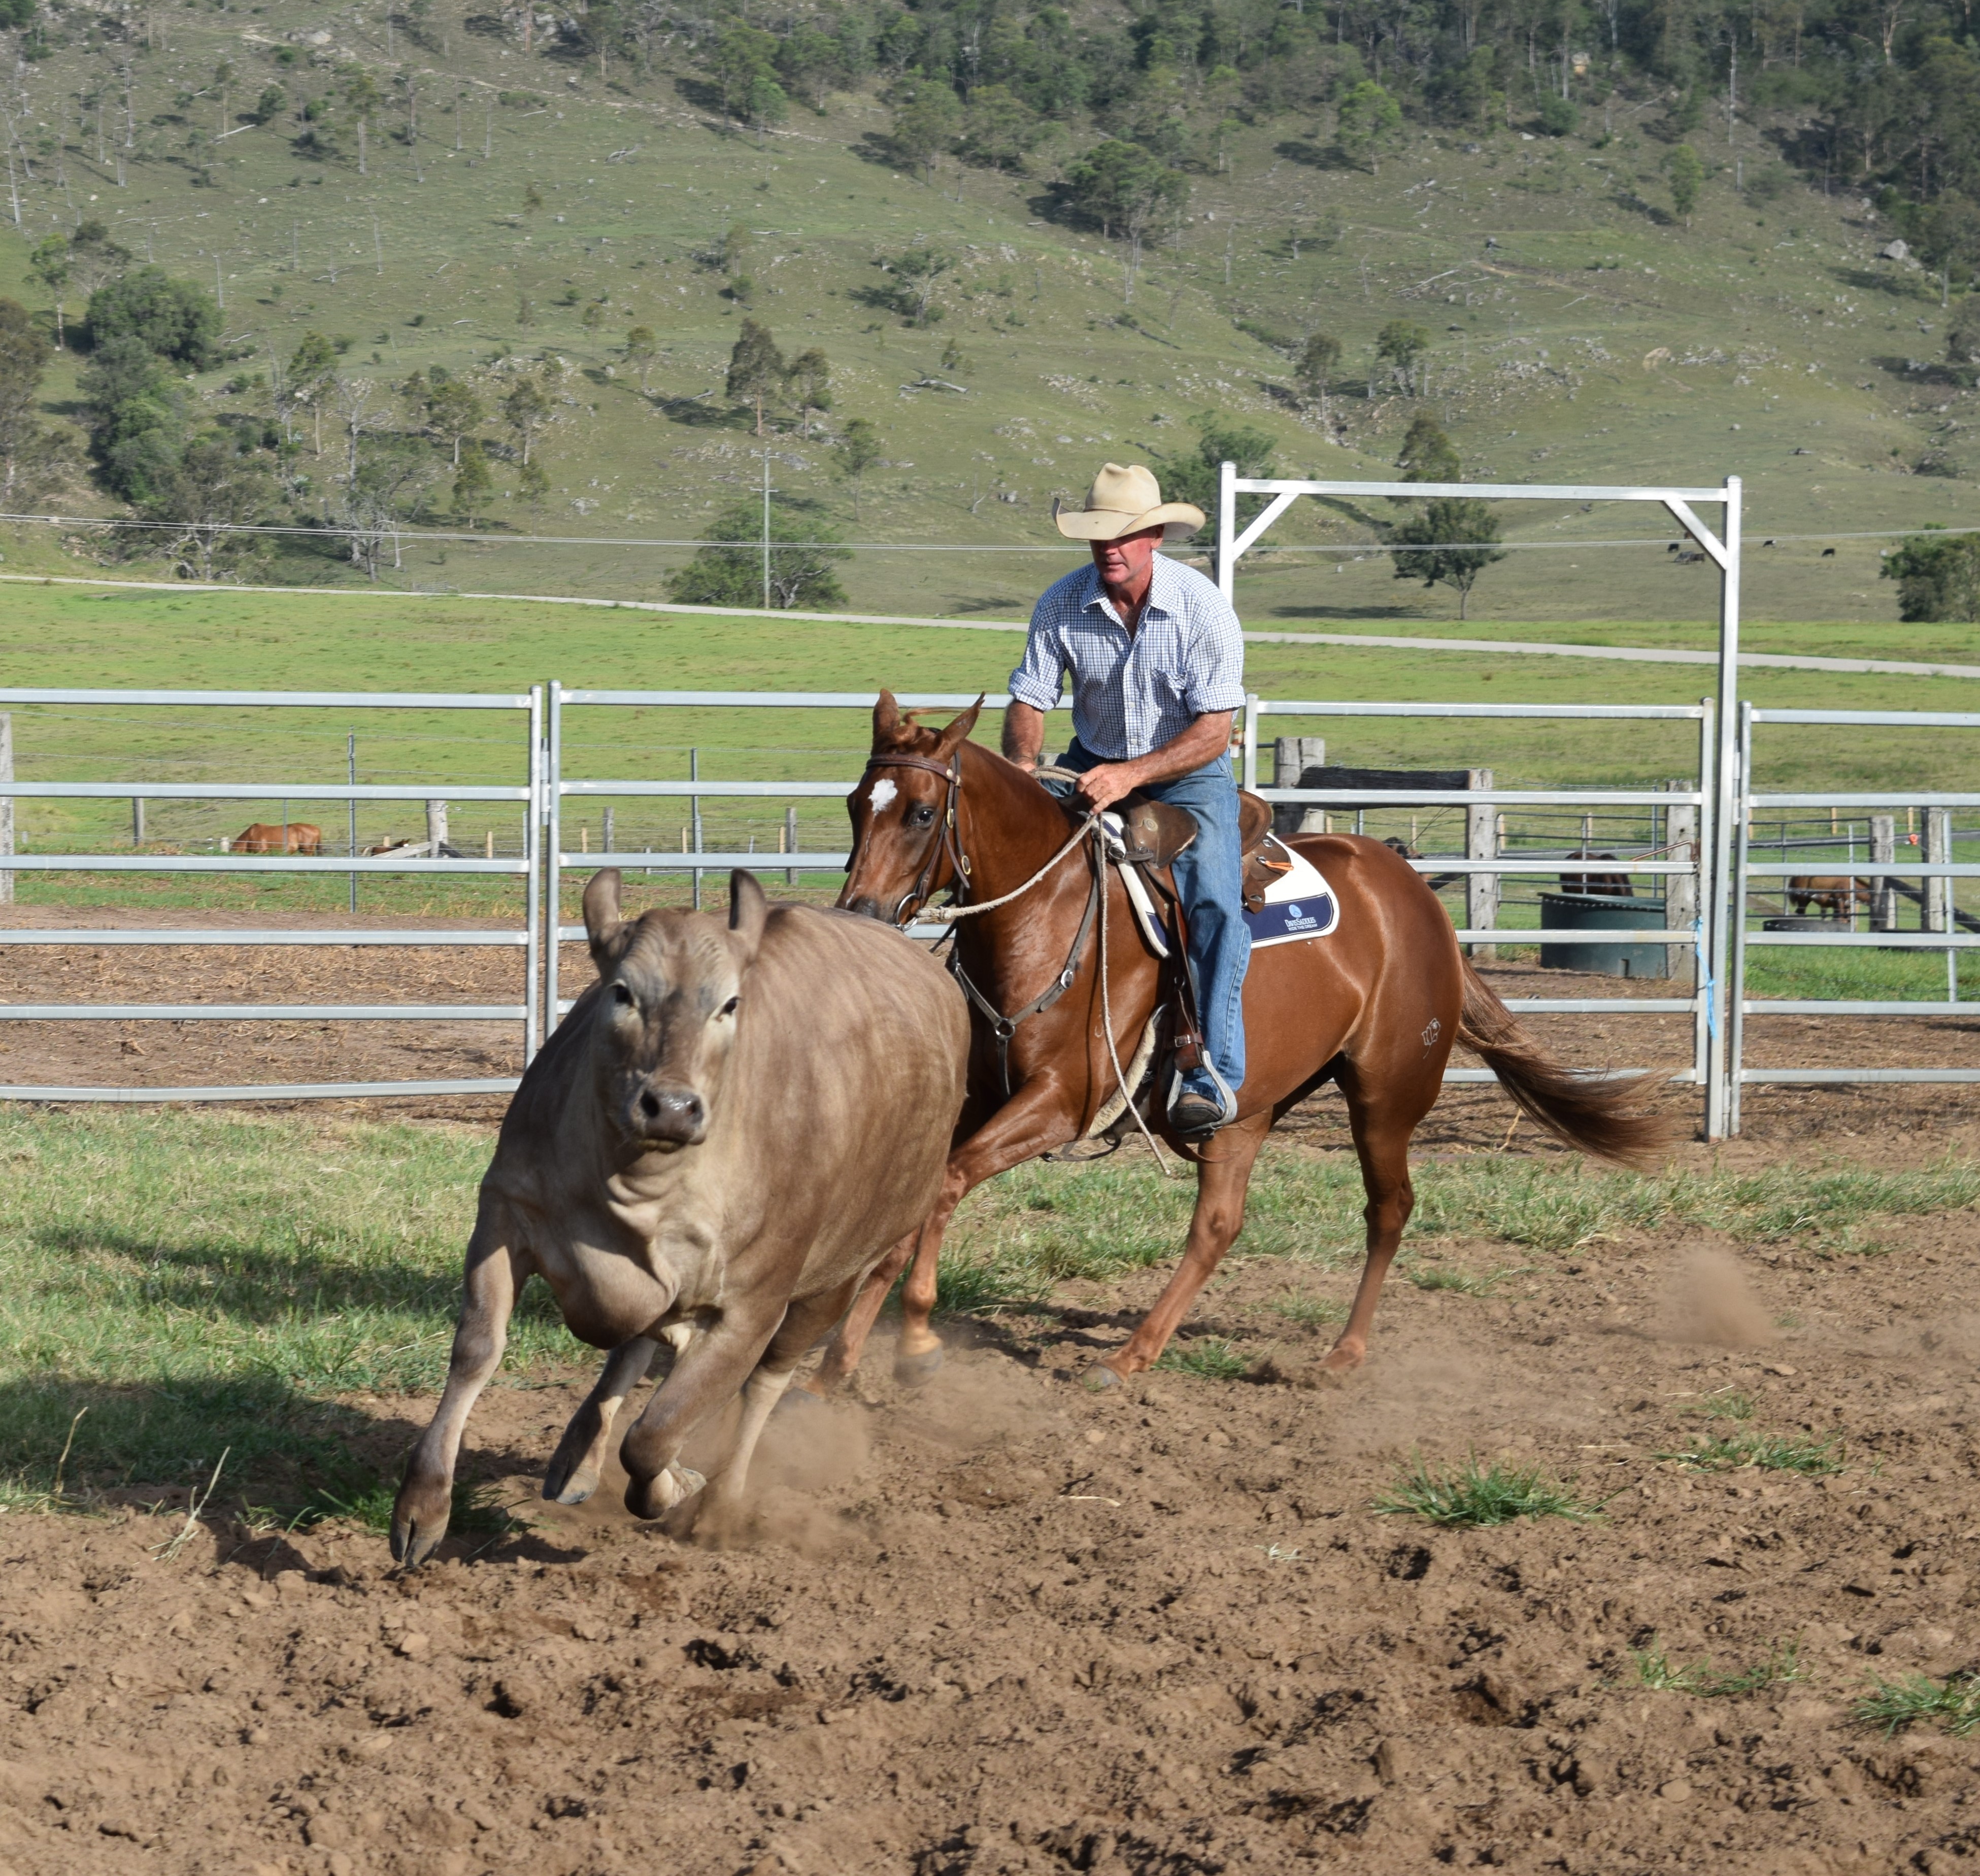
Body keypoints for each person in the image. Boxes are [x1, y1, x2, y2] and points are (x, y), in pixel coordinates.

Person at [1003, 461, 1250, 1136]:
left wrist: (1131, 774)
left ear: (1155, 537)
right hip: (1090, 761)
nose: (1108, 547)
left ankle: (1212, 1074)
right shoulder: (1060, 603)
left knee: (1212, 902)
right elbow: (1030, 696)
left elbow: (1214, 731)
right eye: (1098, 536)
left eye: (1123, 535)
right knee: (1015, 864)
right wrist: (1022, 765)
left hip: (1188, 774)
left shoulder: (1202, 608)